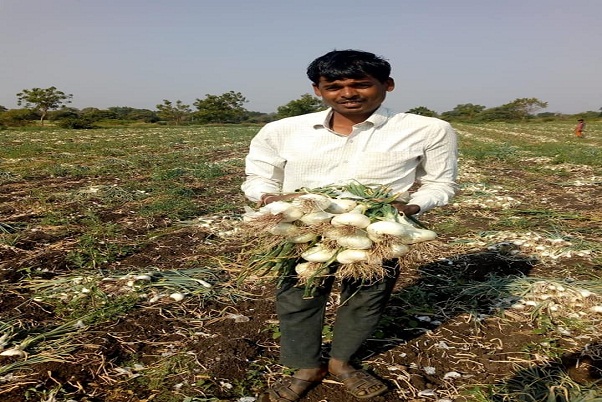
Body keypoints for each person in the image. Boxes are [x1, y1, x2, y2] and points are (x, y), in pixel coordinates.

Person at [241, 49, 458, 401]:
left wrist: (410, 206)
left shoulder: (428, 129)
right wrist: (269, 198)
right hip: (302, 227)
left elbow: (440, 183)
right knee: (297, 296)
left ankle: (342, 362)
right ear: (318, 90)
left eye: (361, 84)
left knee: (367, 297)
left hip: (377, 232)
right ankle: (306, 366)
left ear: (387, 84)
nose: (348, 93)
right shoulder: (281, 130)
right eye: (334, 86)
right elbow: (258, 178)